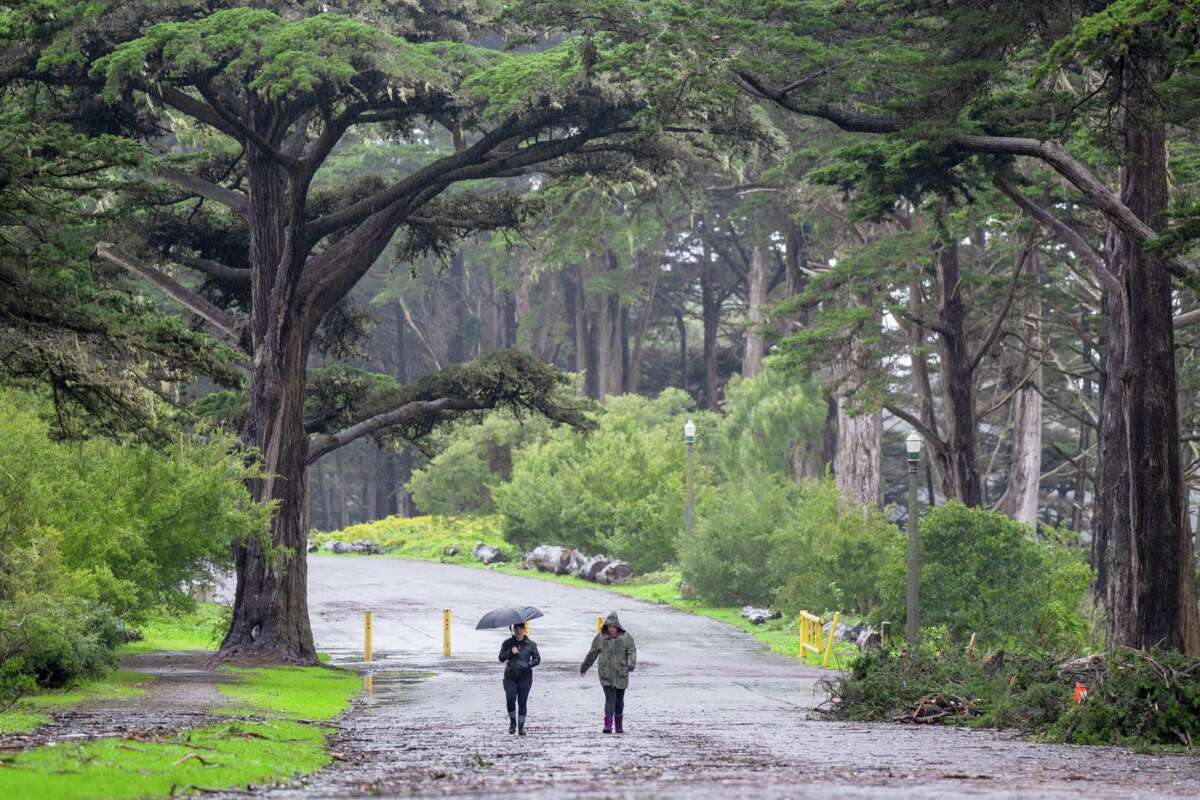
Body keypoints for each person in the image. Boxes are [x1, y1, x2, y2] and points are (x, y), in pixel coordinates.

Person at [579, 611, 637, 734]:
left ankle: (619, 726)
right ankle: (608, 726)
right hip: (606, 674)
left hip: (621, 673)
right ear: (606, 626)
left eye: (614, 627)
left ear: (618, 626)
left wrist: (631, 664)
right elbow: (592, 654)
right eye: (609, 627)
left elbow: (632, 651)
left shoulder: (626, 637)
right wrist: (584, 667)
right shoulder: (600, 638)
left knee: (619, 700)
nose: (612, 629)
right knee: (610, 698)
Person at [498, 621, 540, 735]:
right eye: (516, 629)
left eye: (521, 629)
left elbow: (537, 659)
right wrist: (510, 652)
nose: (519, 631)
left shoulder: (531, 644)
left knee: (522, 702)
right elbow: (501, 658)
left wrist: (528, 664)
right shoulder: (507, 643)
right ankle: (512, 723)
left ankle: (521, 728)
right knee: (510, 700)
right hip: (510, 676)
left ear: (524, 630)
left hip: (525, 677)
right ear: (513, 630)